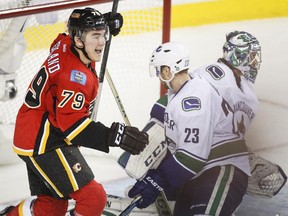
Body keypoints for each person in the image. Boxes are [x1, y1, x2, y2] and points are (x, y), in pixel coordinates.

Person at [0, 7, 149, 216]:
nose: (102, 42)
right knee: (93, 197)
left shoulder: (64, 44)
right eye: (95, 36)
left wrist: (101, 24)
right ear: (78, 41)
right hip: (44, 142)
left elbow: (64, 36)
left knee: (52, 207)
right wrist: (114, 136)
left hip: (31, 132)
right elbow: (72, 127)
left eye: (102, 35)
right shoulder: (74, 77)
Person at [128, 41, 251, 216]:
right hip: (196, 174)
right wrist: (143, 137)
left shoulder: (193, 101)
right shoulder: (185, 87)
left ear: (167, 70)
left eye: (159, 70)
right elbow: (162, 110)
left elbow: (192, 158)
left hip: (222, 167)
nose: (158, 75)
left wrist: (157, 180)